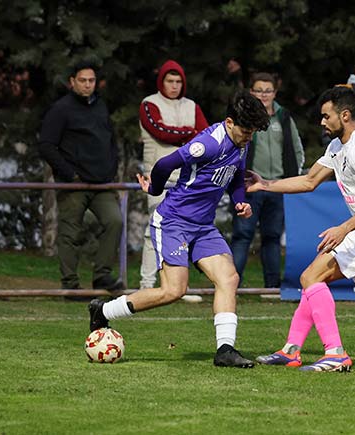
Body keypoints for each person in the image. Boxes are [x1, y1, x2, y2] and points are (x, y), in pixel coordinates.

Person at [88, 90, 271, 368]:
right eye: (246, 131)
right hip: (173, 221)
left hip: (203, 227)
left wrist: (240, 202)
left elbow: (235, 178)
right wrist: (156, 189)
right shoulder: (208, 144)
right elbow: (164, 164)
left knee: (229, 278)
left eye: (253, 132)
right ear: (230, 122)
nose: (249, 137)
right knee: (174, 290)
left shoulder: (241, 143)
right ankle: (104, 309)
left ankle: (225, 350)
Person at [248, 86, 355, 372]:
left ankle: (336, 353)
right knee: (312, 278)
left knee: (311, 276)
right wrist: (265, 184)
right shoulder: (337, 146)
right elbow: (309, 181)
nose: (322, 122)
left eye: (326, 116)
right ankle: (292, 350)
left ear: (345, 116)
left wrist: (344, 228)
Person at [38, 60, 123, 292]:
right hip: (73, 184)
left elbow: (110, 140)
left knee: (115, 221)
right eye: (83, 80)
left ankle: (102, 275)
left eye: (92, 80)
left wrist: (111, 168)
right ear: (72, 82)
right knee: (70, 233)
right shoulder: (61, 109)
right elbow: (46, 145)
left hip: (102, 182)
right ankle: (70, 285)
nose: (87, 85)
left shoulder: (101, 106)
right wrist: (68, 174)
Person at [139, 60, 209, 294]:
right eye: (170, 81)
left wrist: (187, 137)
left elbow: (205, 136)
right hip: (158, 176)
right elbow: (160, 131)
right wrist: (190, 135)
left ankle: (178, 287)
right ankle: (146, 284)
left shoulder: (192, 105)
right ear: (161, 81)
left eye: (178, 81)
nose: (174, 85)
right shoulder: (149, 104)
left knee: (183, 232)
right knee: (153, 231)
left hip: (188, 179)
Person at [231, 72, 305, 288]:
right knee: (242, 235)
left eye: (268, 91)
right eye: (259, 90)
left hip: (277, 186)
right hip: (249, 187)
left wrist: (292, 177)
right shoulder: (242, 116)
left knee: (272, 238)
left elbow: (297, 150)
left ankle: (272, 287)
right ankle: (232, 284)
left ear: (275, 93)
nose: (263, 95)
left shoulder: (284, 117)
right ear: (251, 92)